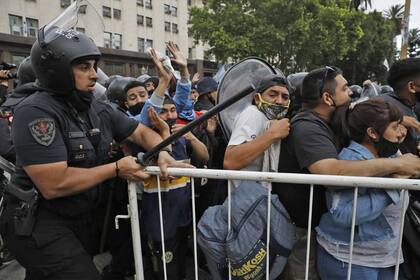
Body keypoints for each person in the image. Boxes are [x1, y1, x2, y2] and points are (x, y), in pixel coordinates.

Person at [0, 28, 188, 280]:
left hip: (78, 218)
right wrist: (117, 169)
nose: (94, 75)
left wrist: (163, 151)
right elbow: (54, 183)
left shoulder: (97, 107)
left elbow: (141, 133)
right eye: (84, 67)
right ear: (56, 70)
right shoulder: (35, 112)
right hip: (37, 222)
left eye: (94, 66)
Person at [275, 66, 420, 280]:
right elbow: (331, 174)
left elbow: (361, 110)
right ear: (327, 97)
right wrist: (396, 170)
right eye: (344, 89)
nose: (351, 93)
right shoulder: (308, 127)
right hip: (307, 234)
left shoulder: (329, 119)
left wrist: (394, 120)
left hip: (333, 236)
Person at [316, 98, 407, 280]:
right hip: (350, 261)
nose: (402, 132)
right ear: (372, 133)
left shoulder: (390, 152)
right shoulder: (351, 159)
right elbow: (342, 213)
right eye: (395, 127)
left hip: (384, 258)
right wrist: (392, 188)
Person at [224, 74, 290, 188]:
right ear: (257, 98)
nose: (279, 101)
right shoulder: (252, 114)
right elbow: (230, 161)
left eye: (285, 97)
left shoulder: (269, 118)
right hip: (245, 199)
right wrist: (272, 134)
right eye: (272, 94)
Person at [381, 58, 420, 154]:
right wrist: (398, 118)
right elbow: (359, 113)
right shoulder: (383, 103)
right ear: (411, 86)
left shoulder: (412, 104)